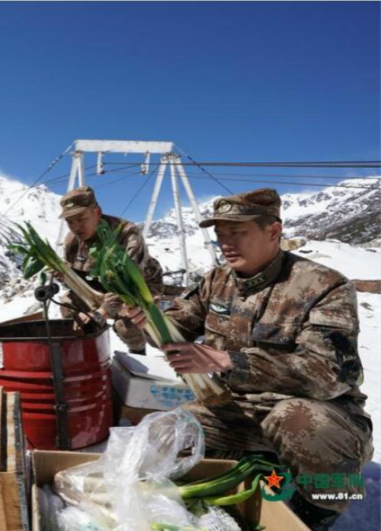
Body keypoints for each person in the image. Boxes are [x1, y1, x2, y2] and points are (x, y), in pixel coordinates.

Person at [126, 188, 373, 530]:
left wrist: (229, 361)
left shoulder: (324, 286)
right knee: (163, 435)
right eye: (221, 234)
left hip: (315, 414)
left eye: (238, 233)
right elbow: (176, 327)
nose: (226, 243)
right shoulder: (216, 280)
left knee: (298, 422)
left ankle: (320, 512)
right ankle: (237, 479)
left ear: (273, 232)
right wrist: (145, 319)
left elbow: (328, 374)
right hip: (236, 410)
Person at [59, 186, 164, 353]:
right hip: (99, 286)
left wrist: (101, 314)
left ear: (97, 212)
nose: (76, 227)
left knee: (128, 323)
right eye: (70, 221)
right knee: (68, 304)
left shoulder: (127, 234)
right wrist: (65, 276)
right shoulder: (72, 241)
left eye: (80, 218)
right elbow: (78, 277)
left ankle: (138, 354)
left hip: (139, 287)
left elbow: (128, 284)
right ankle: (88, 350)